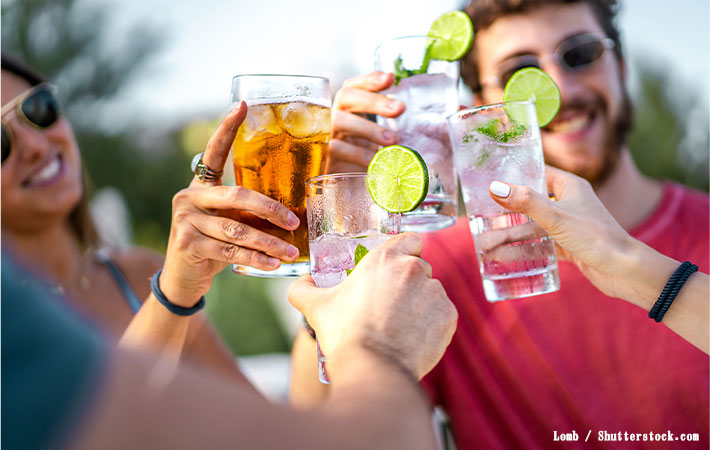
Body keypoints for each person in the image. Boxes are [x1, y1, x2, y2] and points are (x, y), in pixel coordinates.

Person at [291, 0, 709, 447]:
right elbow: (322, 427)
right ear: (477, 108)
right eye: (518, 71)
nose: (560, 90)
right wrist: (344, 212)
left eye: (580, 54)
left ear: (621, 68)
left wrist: (629, 264)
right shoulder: (430, 268)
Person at [2, 231, 458, 450]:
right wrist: (382, 350)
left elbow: (276, 427)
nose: (35, 145)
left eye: (40, 110)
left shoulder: (133, 268)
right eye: (2, 139)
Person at [0, 54, 299, 382]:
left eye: (37, 109)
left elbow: (258, 419)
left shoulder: (137, 274)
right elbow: (104, 427)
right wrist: (171, 299)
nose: (34, 146)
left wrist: (324, 293)